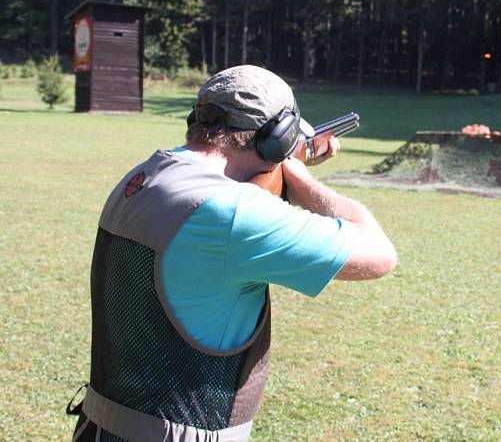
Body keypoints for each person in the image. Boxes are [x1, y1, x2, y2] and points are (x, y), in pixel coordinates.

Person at [68, 65, 397, 442]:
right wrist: (300, 178)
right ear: (277, 141)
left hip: (102, 429)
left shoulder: (143, 177)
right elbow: (379, 255)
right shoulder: (232, 212)